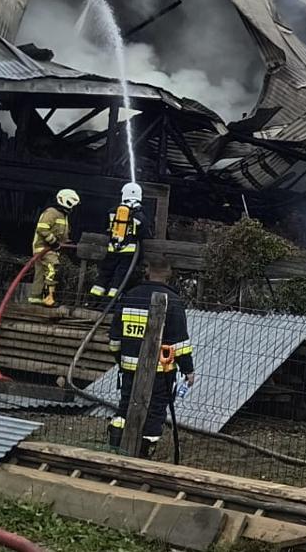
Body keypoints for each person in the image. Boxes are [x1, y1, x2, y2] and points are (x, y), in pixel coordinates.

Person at [107, 256, 195, 458]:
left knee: (126, 404)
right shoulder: (172, 301)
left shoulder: (130, 296)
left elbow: (114, 339)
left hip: (129, 367)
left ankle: (115, 444)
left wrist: (121, 360)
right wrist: (188, 370)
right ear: (169, 274)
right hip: (160, 372)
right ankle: (144, 453)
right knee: (155, 411)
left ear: (146, 271)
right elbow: (180, 343)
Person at [91, 182, 143, 300]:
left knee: (105, 273)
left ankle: (93, 300)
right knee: (120, 277)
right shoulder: (138, 215)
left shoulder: (112, 211)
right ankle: (111, 301)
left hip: (112, 249)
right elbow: (144, 232)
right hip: (128, 253)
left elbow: (106, 228)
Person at [28, 189, 79, 306]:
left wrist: (68, 243)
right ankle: (49, 297)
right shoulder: (51, 212)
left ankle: (35, 297)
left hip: (50, 248)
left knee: (40, 272)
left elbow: (61, 233)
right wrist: (54, 242)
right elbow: (42, 229)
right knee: (52, 268)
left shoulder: (63, 215)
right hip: (43, 248)